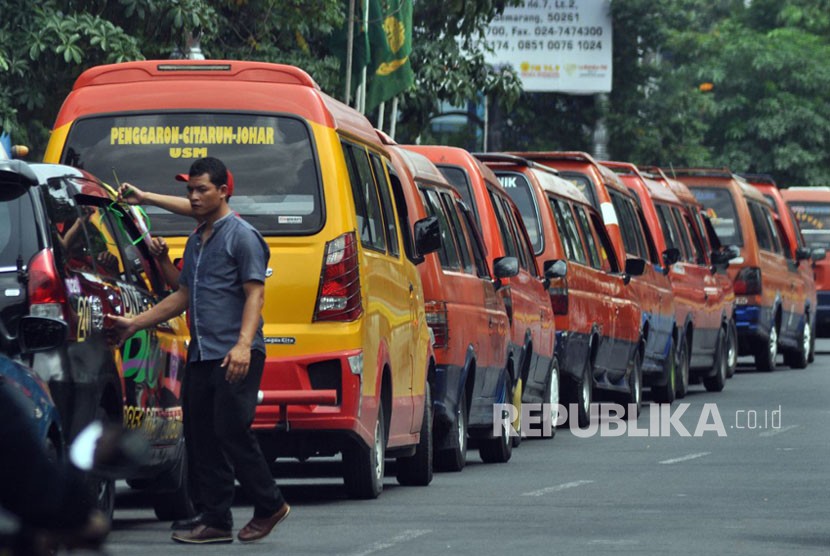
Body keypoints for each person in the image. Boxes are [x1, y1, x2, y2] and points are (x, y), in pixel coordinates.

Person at [108, 157, 289, 544]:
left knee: (230, 430)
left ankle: (270, 503)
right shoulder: (197, 240)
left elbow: (255, 294)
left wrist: (243, 346)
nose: (193, 196)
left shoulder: (242, 235)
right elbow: (183, 295)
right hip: (203, 355)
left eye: (201, 189)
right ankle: (216, 520)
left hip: (236, 353)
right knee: (202, 435)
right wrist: (135, 323)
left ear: (223, 191)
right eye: (189, 189)